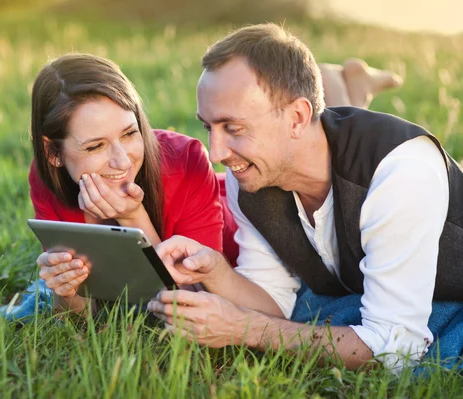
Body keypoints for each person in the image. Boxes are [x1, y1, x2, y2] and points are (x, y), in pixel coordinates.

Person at [147, 23, 463, 371]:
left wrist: (242, 328)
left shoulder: (398, 172)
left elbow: (395, 352)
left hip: (450, 294)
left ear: (297, 117)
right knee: (315, 310)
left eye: (233, 129)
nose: (217, 152)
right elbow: (273, 299)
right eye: (209, 128)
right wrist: (215, 270)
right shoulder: (251, 174)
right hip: (360, 289)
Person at [0, 52, 404, 318]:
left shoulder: (185, 159)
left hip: (236, 209)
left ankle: (351, 83)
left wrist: (133, 216)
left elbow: (189, 293)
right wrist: (66, 292)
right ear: (53, 153)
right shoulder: (46, 176)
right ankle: (352, 80)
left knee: (315, 137)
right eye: (95, 146)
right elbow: (90, 312)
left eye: (129, 133)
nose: (122, 161)